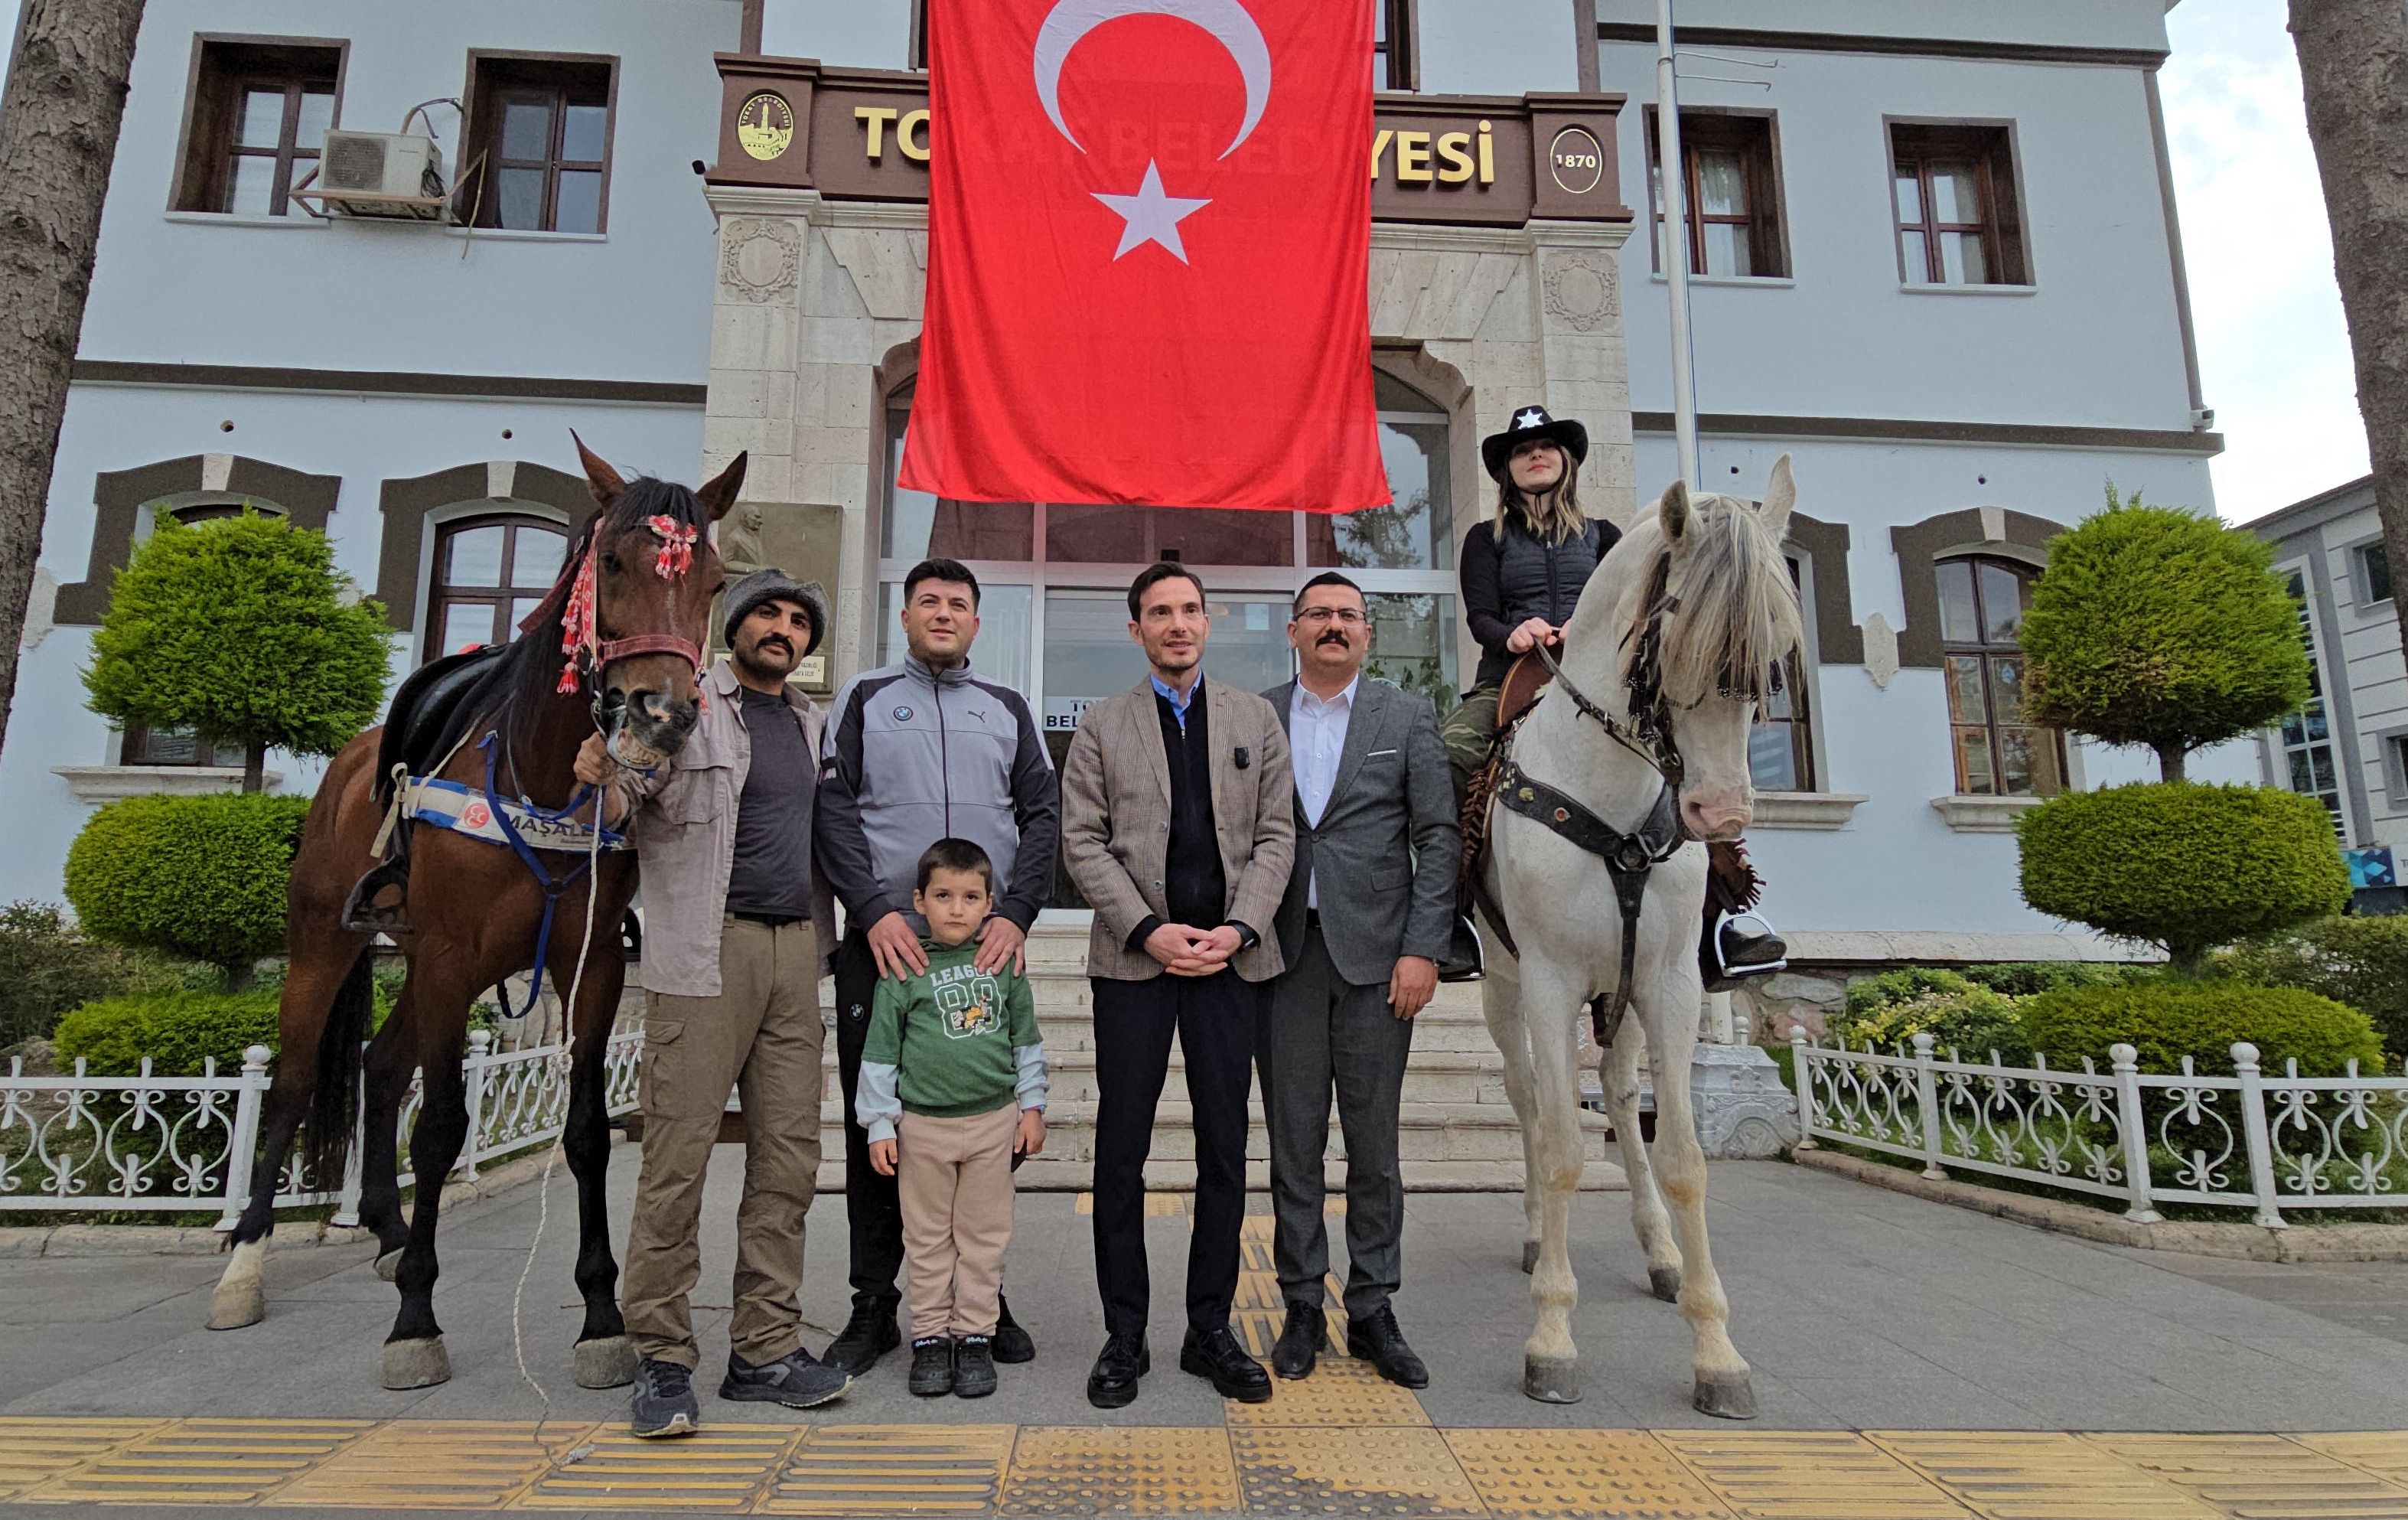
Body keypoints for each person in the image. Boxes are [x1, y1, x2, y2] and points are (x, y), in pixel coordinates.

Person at [575, 568, 851, 1439]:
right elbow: (622, 801)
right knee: (676, 1165)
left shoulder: (810, 724)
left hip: (795, 952)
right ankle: (661, 1356)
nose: (782, 629)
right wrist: (600, 774)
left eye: (798, 620)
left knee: (788, 1163)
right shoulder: (677, 704)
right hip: (704, 952)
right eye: (766, 613)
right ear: (733, 626)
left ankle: (765, 1347)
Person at [814, 557, 1059, 1375]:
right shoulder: (864, 699)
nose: (944, 613)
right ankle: (875, 1304)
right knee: (881, 1128)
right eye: (929, 602)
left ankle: (981, 1304)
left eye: (959, 603)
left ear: (978, 622)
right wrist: (876, 910)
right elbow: (834, 810)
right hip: (889, 949)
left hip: (987, 952)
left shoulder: (1008, 708)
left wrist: (1017, 913)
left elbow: (1043, 814)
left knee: (986, 1125)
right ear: (906, 615)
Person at [1059, 563, 1295, 1409]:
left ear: (1209, 620)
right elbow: (1082, 843)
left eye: (1190, 609)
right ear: (1136, 629)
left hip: (1230, 964)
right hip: (1135, 964)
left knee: (1224, 1151)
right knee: (1121, 1151)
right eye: (1159, 612)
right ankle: (1125, 1337)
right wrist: (1151, 931)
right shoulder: (1100, 726)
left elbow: (1276, 836)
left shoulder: (1255, 718)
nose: (1176, 624)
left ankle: (1209, 1330)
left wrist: (1236, 931)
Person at [1441, 404, 1785, 982]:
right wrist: (1514, 631)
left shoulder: (1604, 536)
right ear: (1507, 470)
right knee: (1446, 755)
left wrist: (1587, 628)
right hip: (1511, 675)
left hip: (1604, 681)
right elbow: (1479, 616)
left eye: (1547, 447)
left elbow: (1635, 606)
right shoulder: (1485, 539)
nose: (1535, 456)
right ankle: (1450, 919)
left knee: (1681, 755)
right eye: (1522, 451)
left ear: (1567, 461)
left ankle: (1719, 923)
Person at [1256, 572, 1456, 1388]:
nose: (1334, 627)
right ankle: (1302, 1302)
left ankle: (1373, 1307)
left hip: (1380, 965)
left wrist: (1424, 949)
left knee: (1373, 1150)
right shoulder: (1255, 716)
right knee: (1293, 1145)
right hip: (1281, 959)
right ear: (1293, 630)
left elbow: (1438, 837)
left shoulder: (1405, 717)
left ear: (1368, 634)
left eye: (1349, 616)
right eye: (1319, 615)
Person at [856, 838, 1049, 1401]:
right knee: (927, 1239)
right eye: (943, 896)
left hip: (993, 1122)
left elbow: (1026, 1042)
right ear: (919, 901)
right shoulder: (903, 968)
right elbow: (880, 1053)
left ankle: (974, 1337)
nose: (957, 909)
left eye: (970, 897)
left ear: (991, 902)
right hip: (922, 1128)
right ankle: (930, 1339)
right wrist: (880, 1124)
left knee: (984, 1238)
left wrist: (1032, 1107)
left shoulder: (1003, 962)